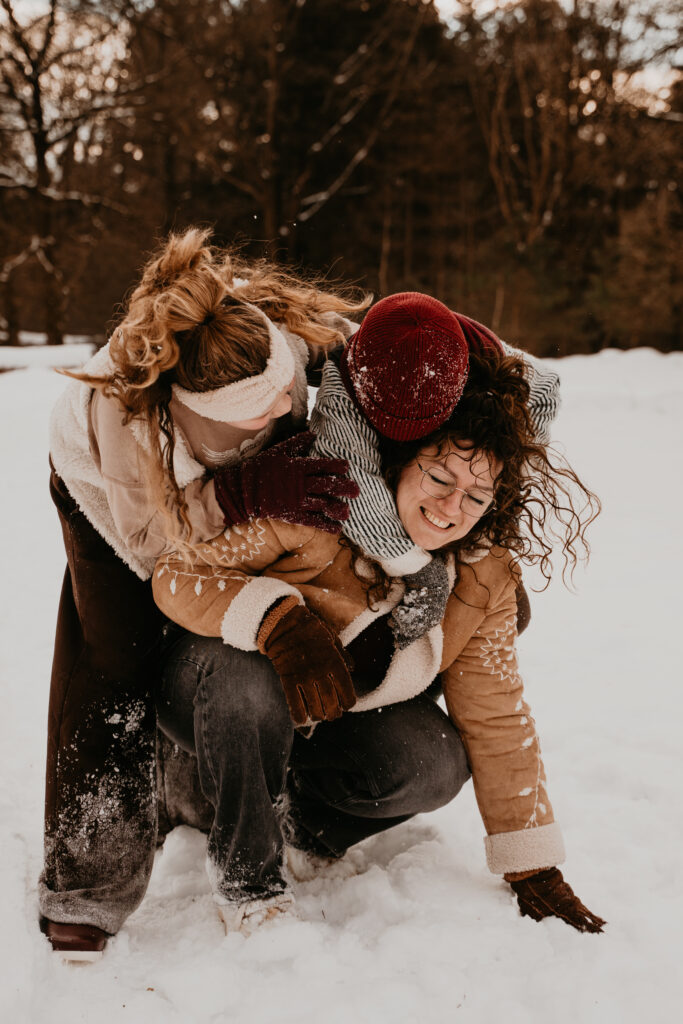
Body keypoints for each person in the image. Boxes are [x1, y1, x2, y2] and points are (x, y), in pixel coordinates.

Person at [151, 347, 605, 937]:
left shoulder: (481, 575)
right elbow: (178, 570)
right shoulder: (322, 500)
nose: (451, 508)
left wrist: (532, 863)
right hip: (212, 690)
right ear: (395, 463)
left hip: (327, 718)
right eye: (439, 477)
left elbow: (497, 716)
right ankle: (247, 883)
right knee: (250, 681)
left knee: (436, 762)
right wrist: (276, 620)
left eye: (476, 497)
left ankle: (305, 831)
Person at [40, 227, 364, 960]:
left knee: (223, 625)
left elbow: (358, 342)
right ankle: (87, 886)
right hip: (113, 506)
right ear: (191, 408)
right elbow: (157, 547)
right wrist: (242, 489)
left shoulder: (258, 336)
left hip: (225, 484)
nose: (287, 410)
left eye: (288, 389)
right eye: (261, 410)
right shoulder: (124, 418)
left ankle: (196, 776)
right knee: (116, 664)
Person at [310, 291, 560, 646]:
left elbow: (546, 390)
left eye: (419, 422)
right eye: (389, 423)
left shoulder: (484, 360)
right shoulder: (346, 386)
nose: (402, 434)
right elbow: (351, 482)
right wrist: (421, 572)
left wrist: (499, 479)